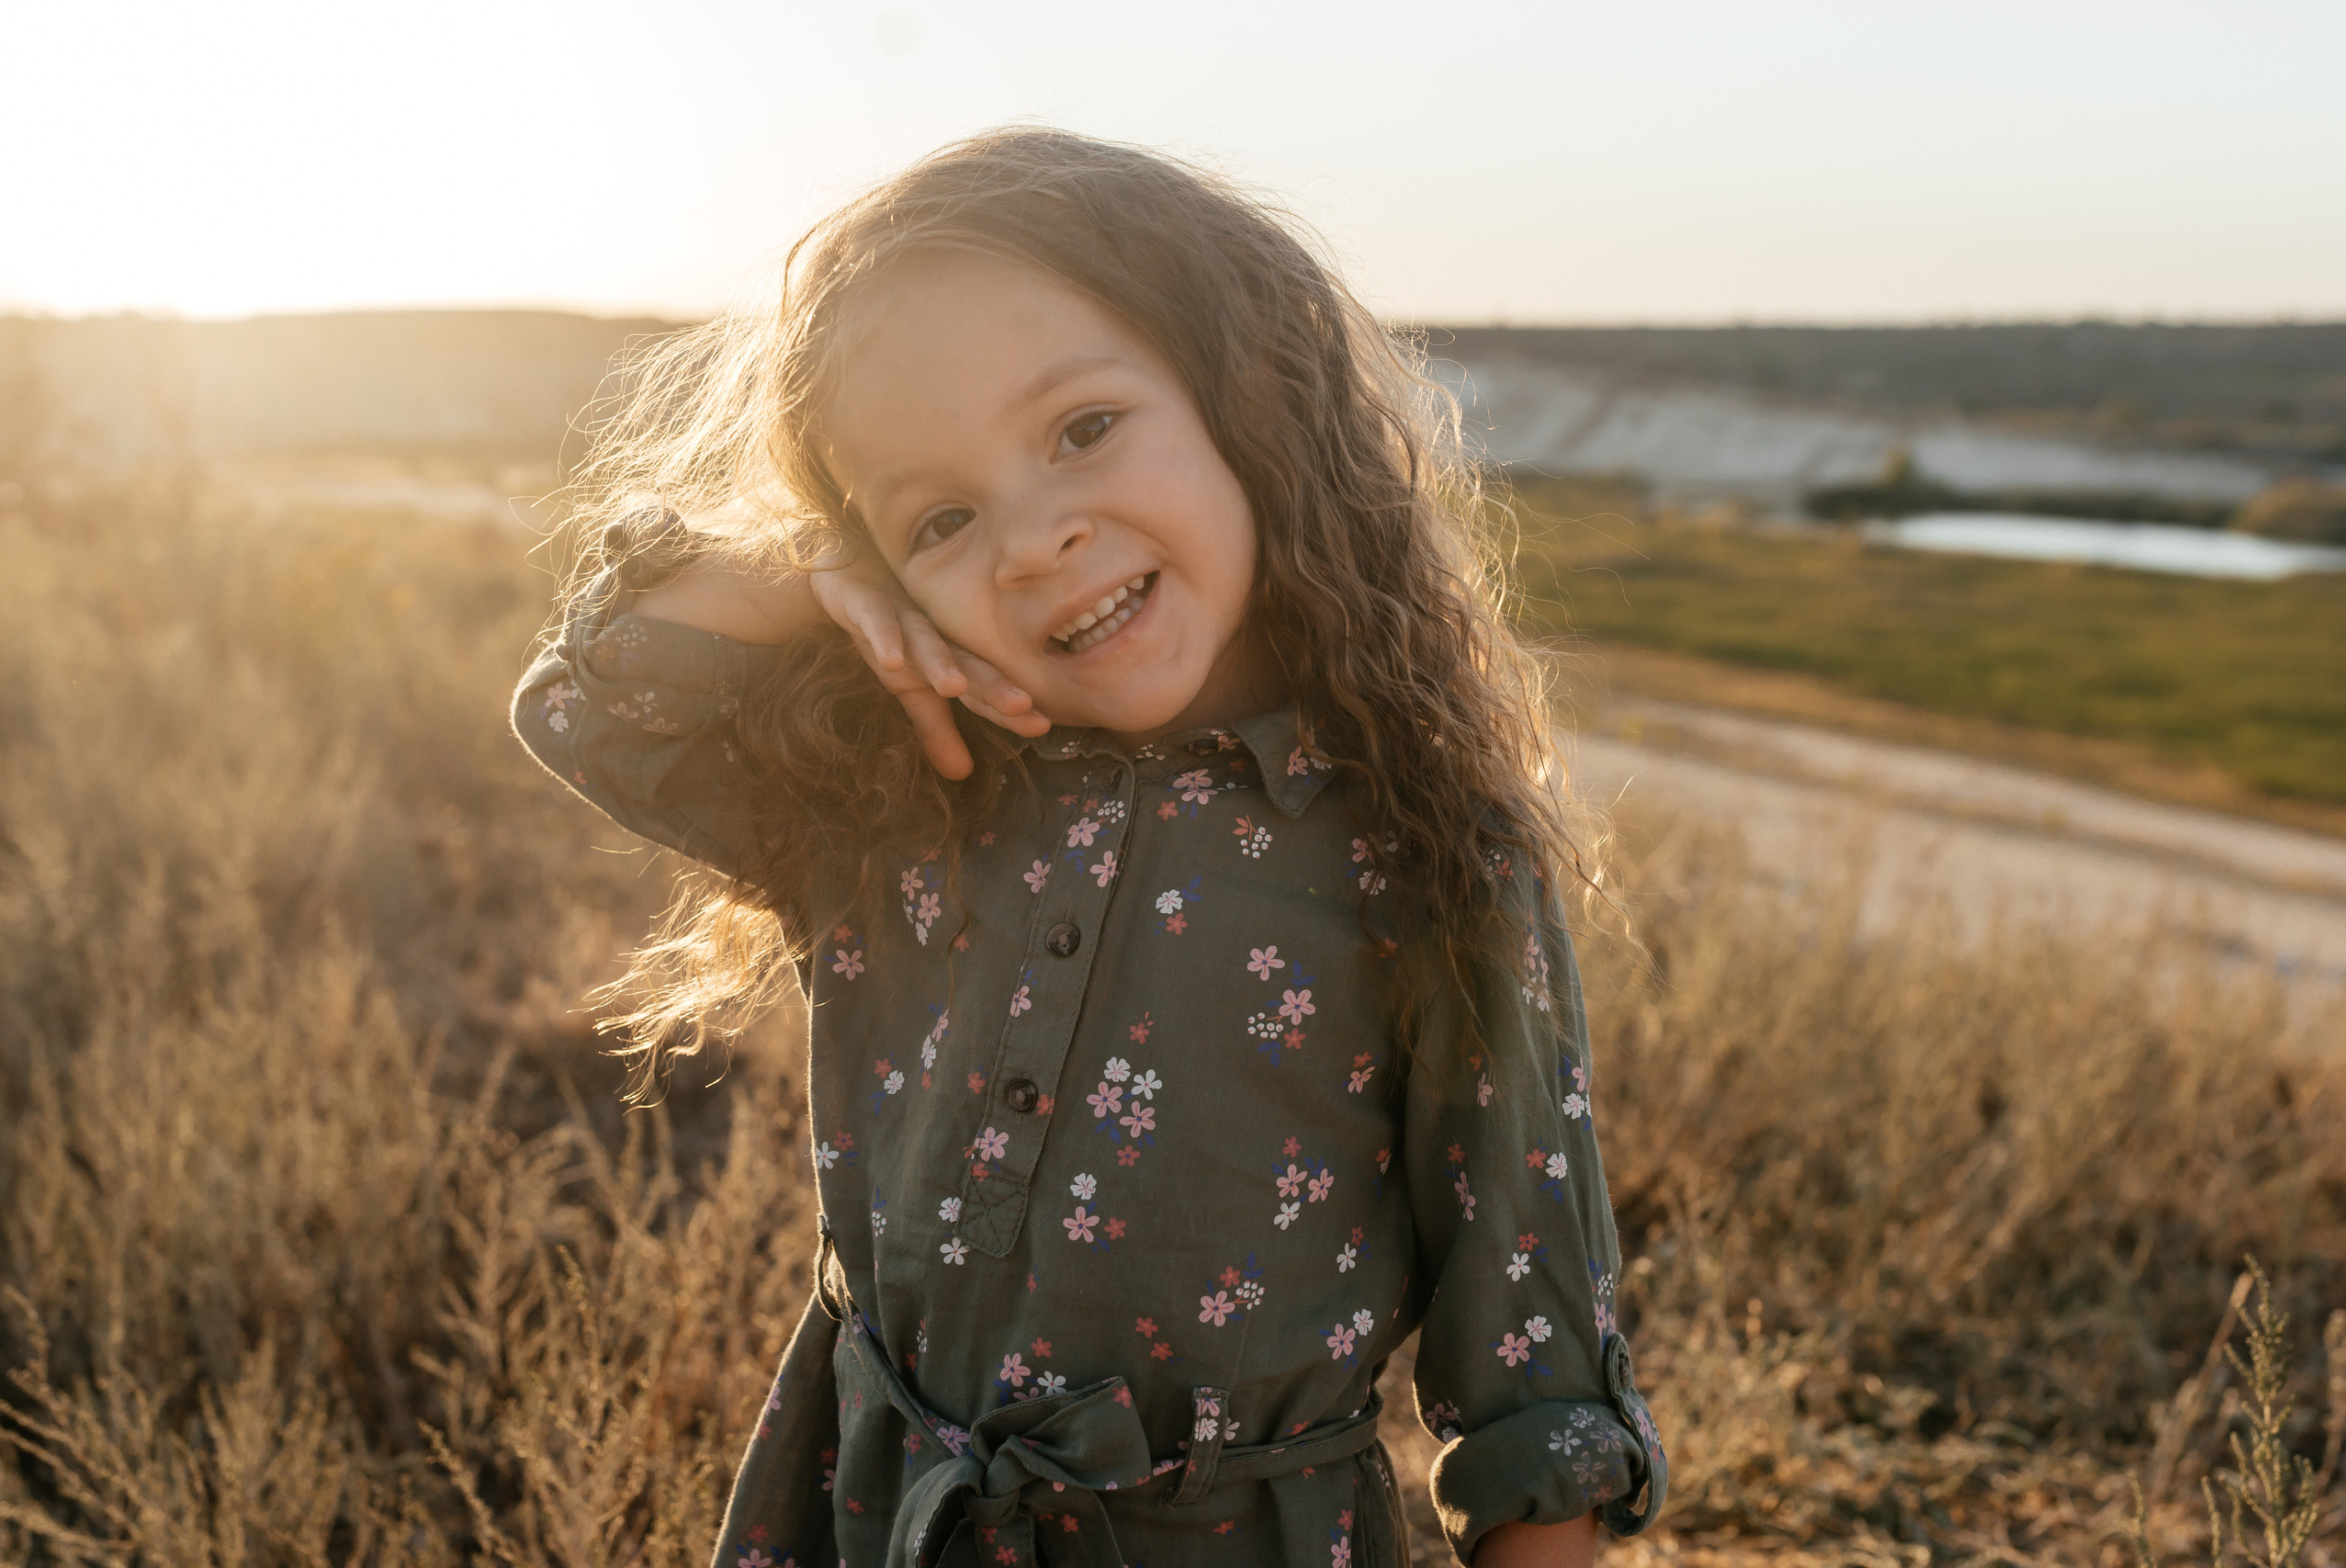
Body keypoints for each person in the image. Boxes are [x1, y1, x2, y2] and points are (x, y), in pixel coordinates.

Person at [513, 127, 1666, 1568]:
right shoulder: (896, 782)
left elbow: (1533, 1386)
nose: (1032, 540)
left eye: (1081, 429)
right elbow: (588, 700)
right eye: (937, 518)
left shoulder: (1430, 850)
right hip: (875, 1519)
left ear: (1250, 401)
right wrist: (801, 580)